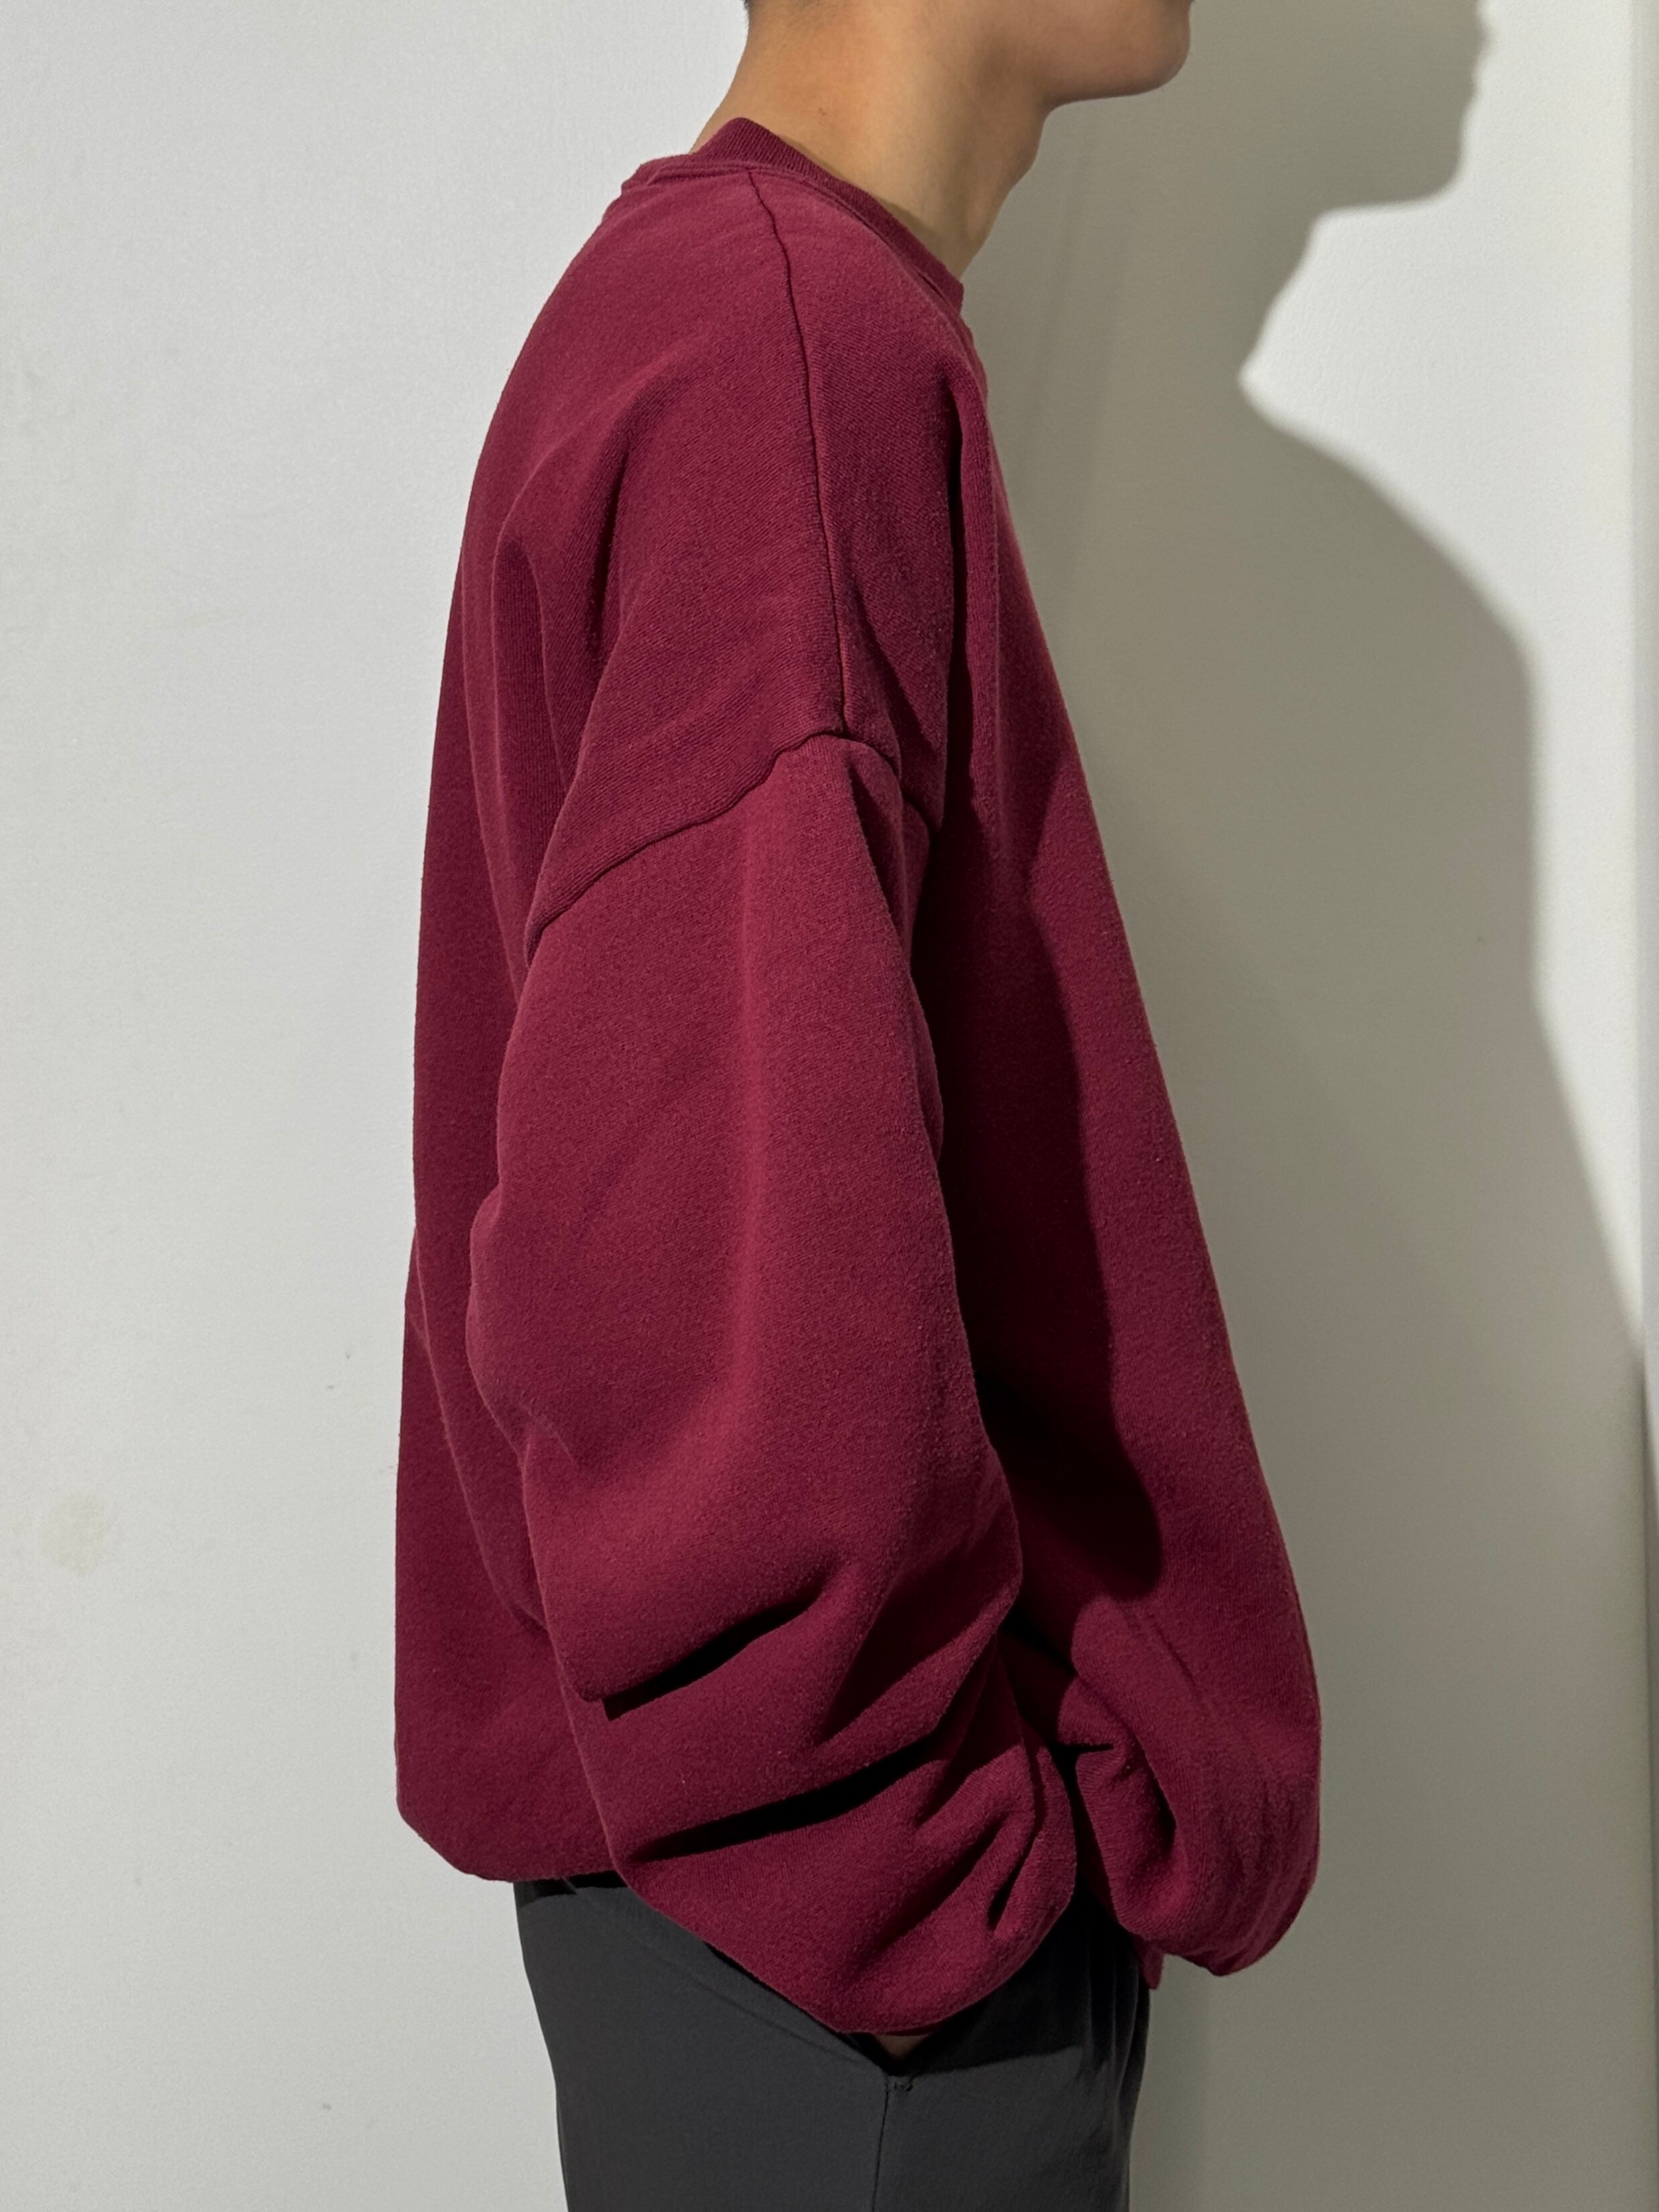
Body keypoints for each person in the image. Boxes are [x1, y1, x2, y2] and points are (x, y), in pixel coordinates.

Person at [392, 0, 1322, 2203]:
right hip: (843, 1980)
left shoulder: (738, 317)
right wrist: (897, 1883)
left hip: (795, 1950)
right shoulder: (781, 354)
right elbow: (692, 1239)